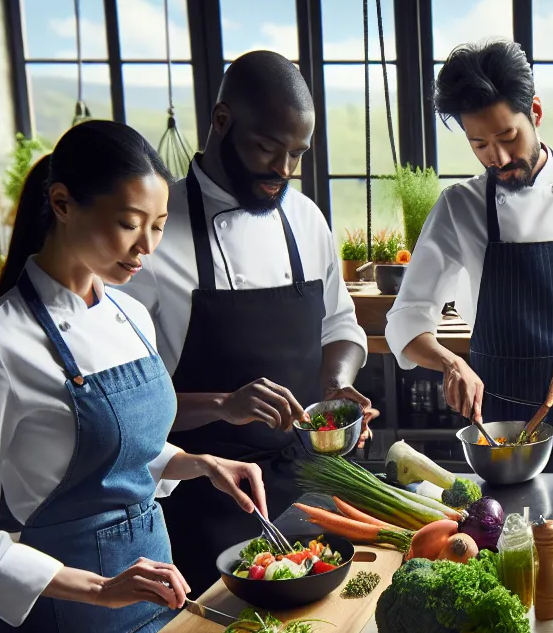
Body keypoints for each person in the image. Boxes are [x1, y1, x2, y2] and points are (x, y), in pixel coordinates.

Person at [0, 121, 268, 633]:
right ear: (62, 203)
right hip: (67, 624)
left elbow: (119, 450)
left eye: (158, 228)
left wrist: (199, 463)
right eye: (128, 224)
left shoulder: (130, 316)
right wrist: (99, 590)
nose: (146, 248)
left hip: (159, 605)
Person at [126, 52, 375, 586]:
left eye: (297, 154)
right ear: (222, 121)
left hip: (312, 485)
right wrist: (225, 405)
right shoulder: (151, 234)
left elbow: (341, 326)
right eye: (267, 148)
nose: (282, 171)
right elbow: (129, 412)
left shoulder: (306, 219)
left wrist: (337, 383)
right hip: (203, 499)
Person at [384, 40, 553, 429]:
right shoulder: (459, 206)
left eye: (507, 137)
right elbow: (407, 317)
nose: (496, 158)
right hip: (496, 424)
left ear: (535, 112)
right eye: (479, 144)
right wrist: (450, 361)